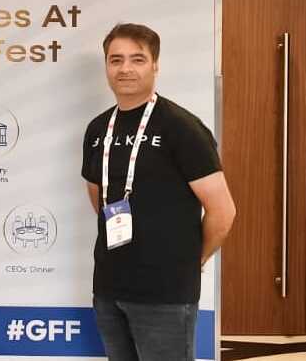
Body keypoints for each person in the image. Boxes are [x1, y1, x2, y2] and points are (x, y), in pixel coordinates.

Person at [81, 23, 235, 361]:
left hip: (165, 293)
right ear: (106, 66)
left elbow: (223, 211)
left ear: (155, 65)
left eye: (137, 59)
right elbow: (98, 196)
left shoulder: (181, 127)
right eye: (116, 59)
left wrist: (192, 259)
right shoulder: (98, 129)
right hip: (109, 287)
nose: (125, 68)